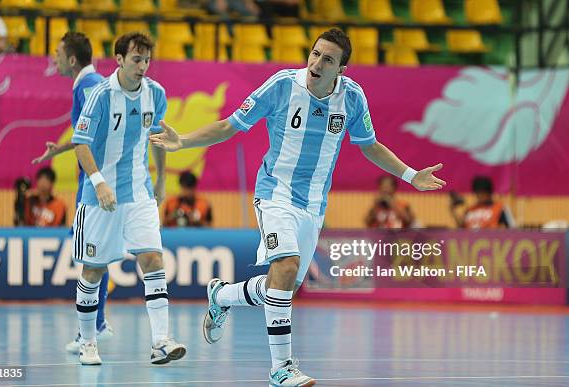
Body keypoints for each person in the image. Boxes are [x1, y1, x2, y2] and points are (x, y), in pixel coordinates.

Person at [150, 28, 445, 386]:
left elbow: (370, 145)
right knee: (286, 268)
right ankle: (281, 368)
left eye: (328, 59)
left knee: (280, 286)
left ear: (342, 69)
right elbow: (230, 125)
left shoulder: (352, 98)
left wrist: (411, 175)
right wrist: (182, 141)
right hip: (275, 194)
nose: (317, 63)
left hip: (314, 206)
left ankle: (222, 295)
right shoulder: (282, 85)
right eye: (315, 53)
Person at [71, 32, 185, 366]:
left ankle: (160, 341)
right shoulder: (101, 95)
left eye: (147, 60)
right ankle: (88, 342)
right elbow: (81, 142)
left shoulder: (156, 94)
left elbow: (158, 136)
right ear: (119, 59)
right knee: (93, 270)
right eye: (136, 59)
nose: (143, 66)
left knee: (153, 260)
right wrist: (99, 182)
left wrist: (162, 179)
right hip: (100, 198)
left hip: (139, 194)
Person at [30, 32, 115, 353]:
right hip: (97, 180)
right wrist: (63, 148)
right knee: (97, 254)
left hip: (94, 183)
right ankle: (99, 323)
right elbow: (89, 130)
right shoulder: (87, 83)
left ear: (72, 60)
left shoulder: (89, 83)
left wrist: (96, 178)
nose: (53, 58)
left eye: (57, 53)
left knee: (90, 254)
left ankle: (90, 330)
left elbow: (103, 126)